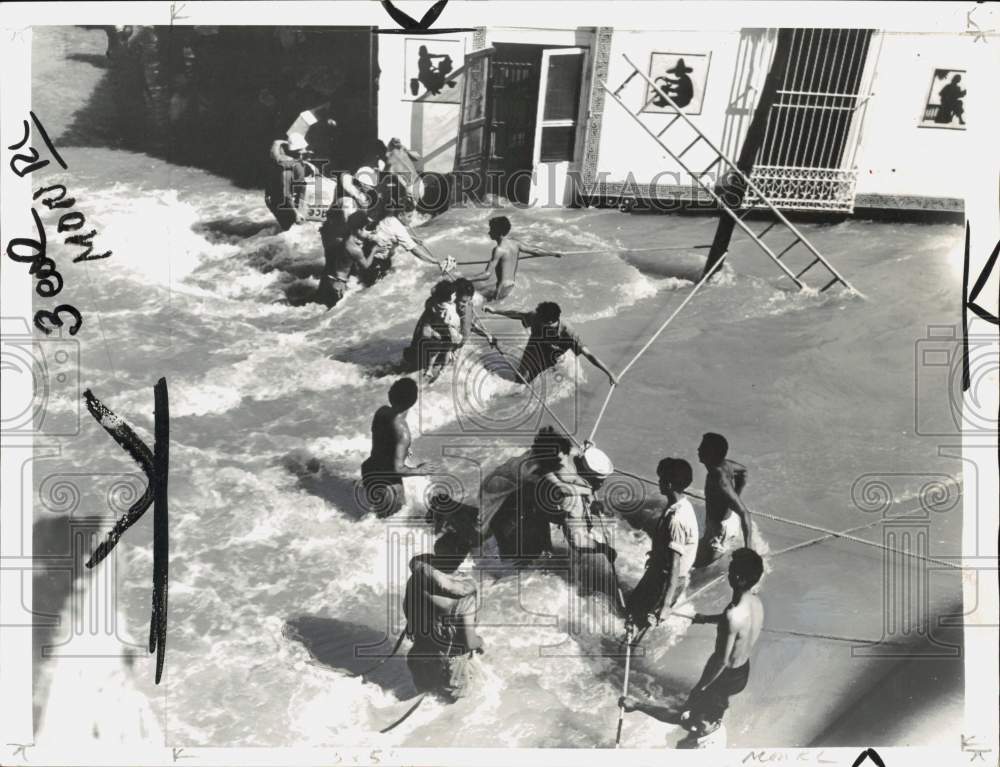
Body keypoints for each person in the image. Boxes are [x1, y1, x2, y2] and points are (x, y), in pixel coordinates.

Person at [618, 548, 764, 748]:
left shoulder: (732, 615)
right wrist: (706, 619)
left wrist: (700, 688)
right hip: (741, 673)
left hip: (723, 675)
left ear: (739, 578)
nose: (728, 574)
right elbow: (740, 627)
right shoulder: (756, 602)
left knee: (687, 715)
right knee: (709, 711)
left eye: (731, 571)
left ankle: (638, 707)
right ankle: (707, 726)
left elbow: (721, 660)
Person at [536, 444, 622, 613]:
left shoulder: (574, 455)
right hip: (528, 501)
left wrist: (591, 501)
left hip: (540, 488)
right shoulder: (572, 500)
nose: (602, 484)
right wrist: (603, 548)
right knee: (538, 555)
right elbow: (578, 542)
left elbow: (579, 452)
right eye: (600, 482)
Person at [624, 458, 697, 631]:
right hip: (658, 573)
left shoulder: (677, 520)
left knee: (636, 624)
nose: (658, 482)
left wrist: (665, 605)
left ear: (669, 484)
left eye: (661, 479)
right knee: (631, 608)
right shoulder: (680, 504)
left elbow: (675, 565)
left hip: (666, 581)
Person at [403, 550, 485, 702]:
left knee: (427, 705)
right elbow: (469, 642)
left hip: (419, 658)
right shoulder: (465, 595)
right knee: (454, 716)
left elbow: (409, 616)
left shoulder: (416, 580)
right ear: (461, 561)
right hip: (451, 669)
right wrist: (481, 642)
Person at [484, 301, 619, 385]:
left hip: (551, 353)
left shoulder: (568, 333)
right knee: (521, 379)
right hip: (534, 345)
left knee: (532, 376)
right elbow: (518, 314)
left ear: (553, 321)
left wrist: (609, 373)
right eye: (540, 320)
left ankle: (549, 369)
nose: (542, 324)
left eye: (547, 325)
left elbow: (589, 355)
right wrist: (495, 311)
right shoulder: (537, 317)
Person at [360, 378, 439, 517]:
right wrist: (420, 470)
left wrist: (404, 451)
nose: (389, 390)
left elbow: (384, 443)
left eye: (391, 388)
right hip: (387, 483)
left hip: (369, 470)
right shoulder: (403, 433)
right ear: (413, 401)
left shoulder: (382, 412)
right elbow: (398, 469)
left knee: (378, 518)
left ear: (391, 395)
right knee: (391, 523)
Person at [468, 216, 561, 301]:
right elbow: (535, 250)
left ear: (498, 232)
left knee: (474, 300)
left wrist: (465, 279)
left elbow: (487, 275)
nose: (489, 232)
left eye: (491, 229)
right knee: (483, 292)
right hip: (511, 286)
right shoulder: (515, 243)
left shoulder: (498, 250)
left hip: (501, 289)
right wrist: (552, 253)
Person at [696, 433, 752, 567]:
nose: (698, 450)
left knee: (693, 563)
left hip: (720, 529)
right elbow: (744, 471)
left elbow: (745, 513)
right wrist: (735, 496)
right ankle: (719, 553)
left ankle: (719, 555)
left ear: (711, 454)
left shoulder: (719, 480)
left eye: (702, 447)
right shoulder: (726, 465)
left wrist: (748, 551)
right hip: (727, 521)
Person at [402, 280, 464, 382]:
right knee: (442, 351)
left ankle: (430, 369)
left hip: (434, 336)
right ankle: (439, 369)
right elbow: (427, 330)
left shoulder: (433, 304)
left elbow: (433, 292)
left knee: (435, 352)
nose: (455, 296)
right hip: (441, 335)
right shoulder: (446, 309)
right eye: (454, 295)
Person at [316, 211, 377, 309]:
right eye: (366, 229)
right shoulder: (355, 249)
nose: (369, 232)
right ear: (358, 230)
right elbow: (366, 265)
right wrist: (374, 250)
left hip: (326, 280)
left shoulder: (339, 240)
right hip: (338, 285)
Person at [265, 135, 307, 231]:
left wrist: (283, 141)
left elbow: (275, 143)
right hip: (282, 202)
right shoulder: (289, 168)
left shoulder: (278, 158)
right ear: (299, 152)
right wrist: (296, 212)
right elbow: (286, 193)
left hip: (273, 199)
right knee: (291, 230)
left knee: (288, 229)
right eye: (303, 152)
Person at [453, 278, 495, 348]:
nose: (465, 305)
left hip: (459, 345)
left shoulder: (468, 305)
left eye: (468, 301)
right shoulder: (449, 310)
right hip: (450, 346)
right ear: (454, 296)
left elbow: (471, 324)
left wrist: (487, 334)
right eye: (463, 301)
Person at [385, 137, 425, 206]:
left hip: (411, 187)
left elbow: (390, 174)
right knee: (416, 210)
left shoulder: (391, 160)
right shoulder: (403, 151)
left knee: (411, 211)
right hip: (420, 182)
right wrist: (406, 149)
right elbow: (418, 157)